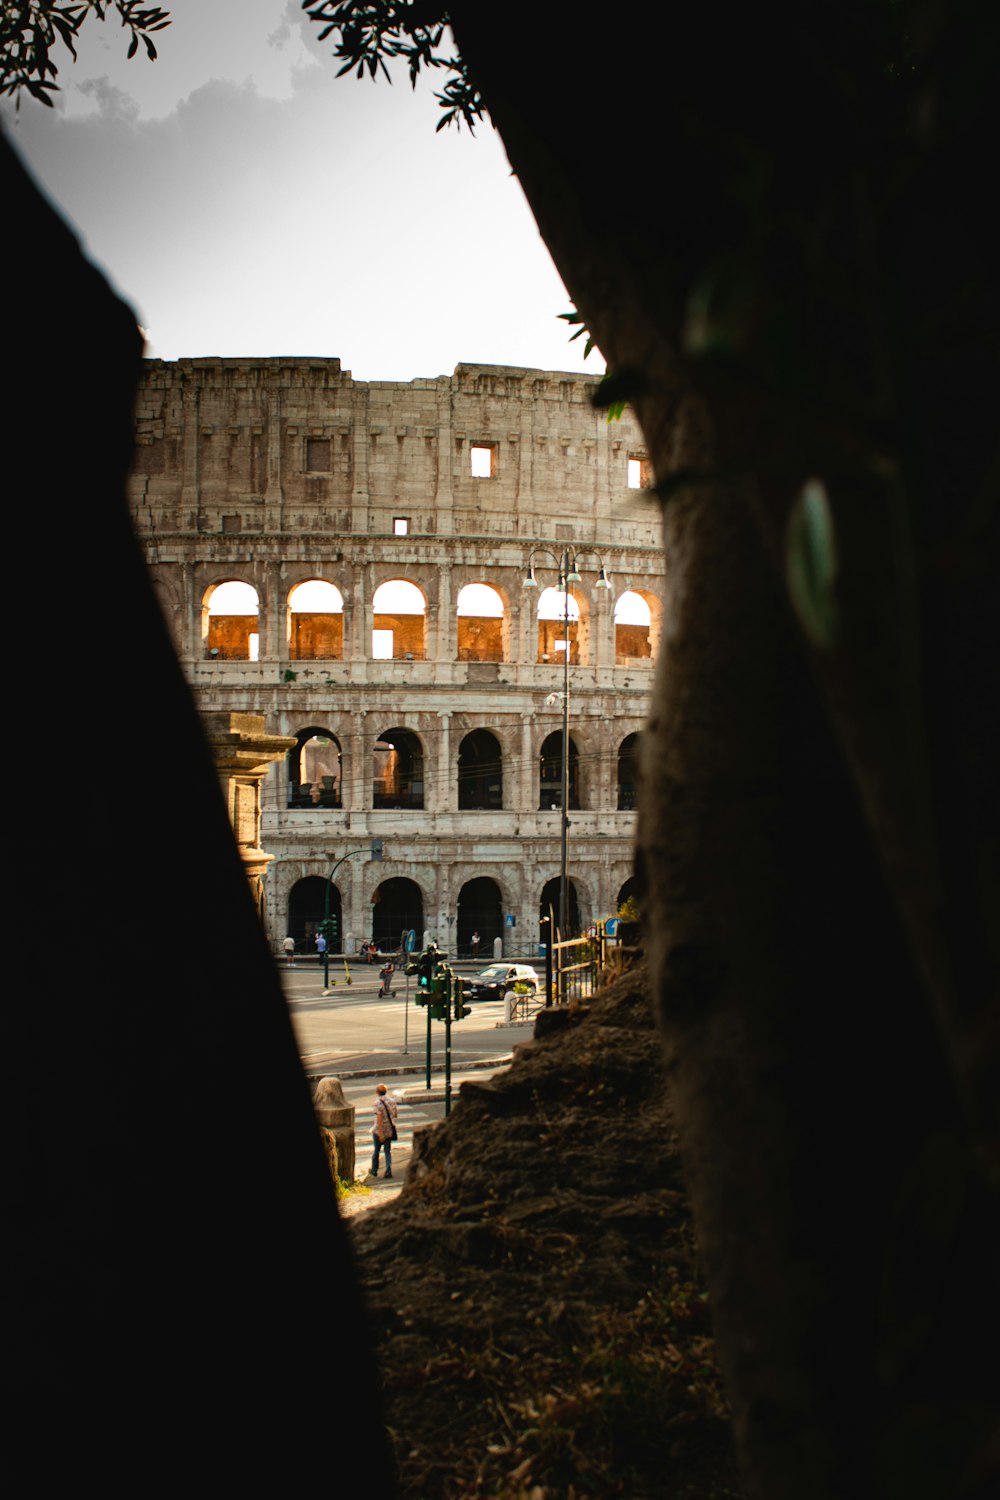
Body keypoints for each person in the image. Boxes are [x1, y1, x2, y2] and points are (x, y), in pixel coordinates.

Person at [370, 1083, 398, 1179]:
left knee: (376, 1151)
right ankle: (388, 1170)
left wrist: (381, 1134)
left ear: (377, 1092)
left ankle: (374, 1170)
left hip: (379, 1131)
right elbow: (395, 1115)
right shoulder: (392, 1101)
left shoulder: (376, 1103)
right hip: (389, 1129)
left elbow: (379, 1118)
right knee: (387, 1151)